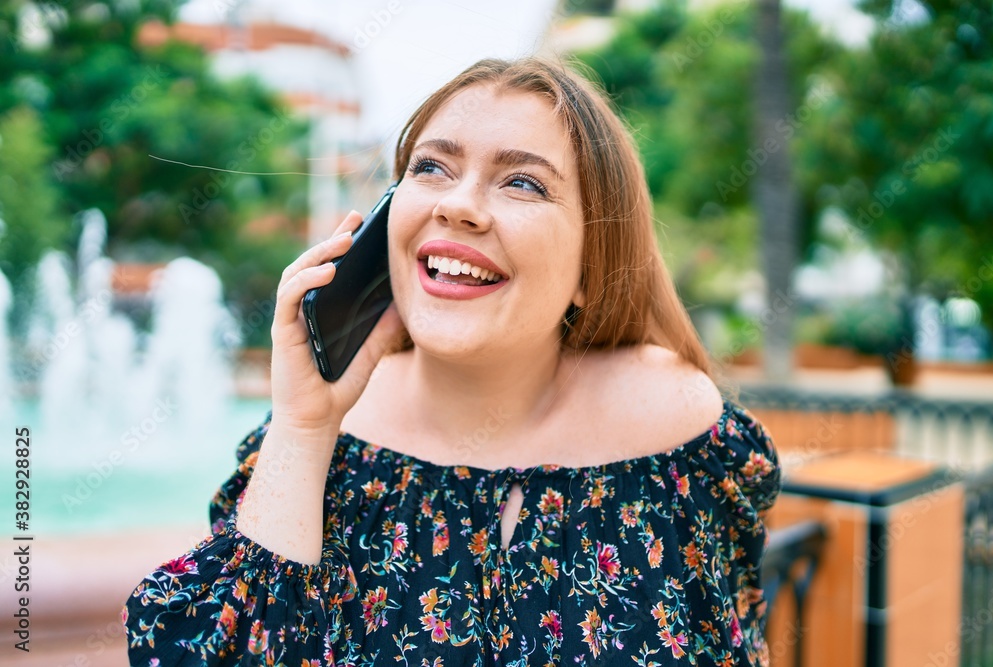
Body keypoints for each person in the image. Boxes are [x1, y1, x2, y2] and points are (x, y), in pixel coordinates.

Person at [123, 56, 781, 666]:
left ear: (593, 262)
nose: (457, 204)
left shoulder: (678, 432)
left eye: (522, 182)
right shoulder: (315, 444)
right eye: (432, 167)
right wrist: (304, 423)